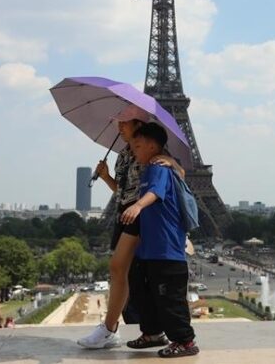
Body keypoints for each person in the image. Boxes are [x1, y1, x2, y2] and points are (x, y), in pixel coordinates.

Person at [77, 106, 182, 349]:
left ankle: (110, 328)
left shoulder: (151, 150)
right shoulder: (124, 153)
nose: (119, 127)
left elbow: (174, 176)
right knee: (129, 275)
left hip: (140, 214)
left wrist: (171, 163)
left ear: (138, 124)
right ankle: (138, 330)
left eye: (123, 123)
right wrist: (105, 177)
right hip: (125, 214)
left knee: (118, 268)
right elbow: (123, 192)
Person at [122, 123, 199, 357]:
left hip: (166, 250)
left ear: (153, 146)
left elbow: (154, 193)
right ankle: (153, 332)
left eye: (137, 145)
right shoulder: (152, 169)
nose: (133, 150)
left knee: (169, 299)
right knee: (143, 290)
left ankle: (185, 342)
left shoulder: (159, 168)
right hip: (150, 250)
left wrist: (137, 205)